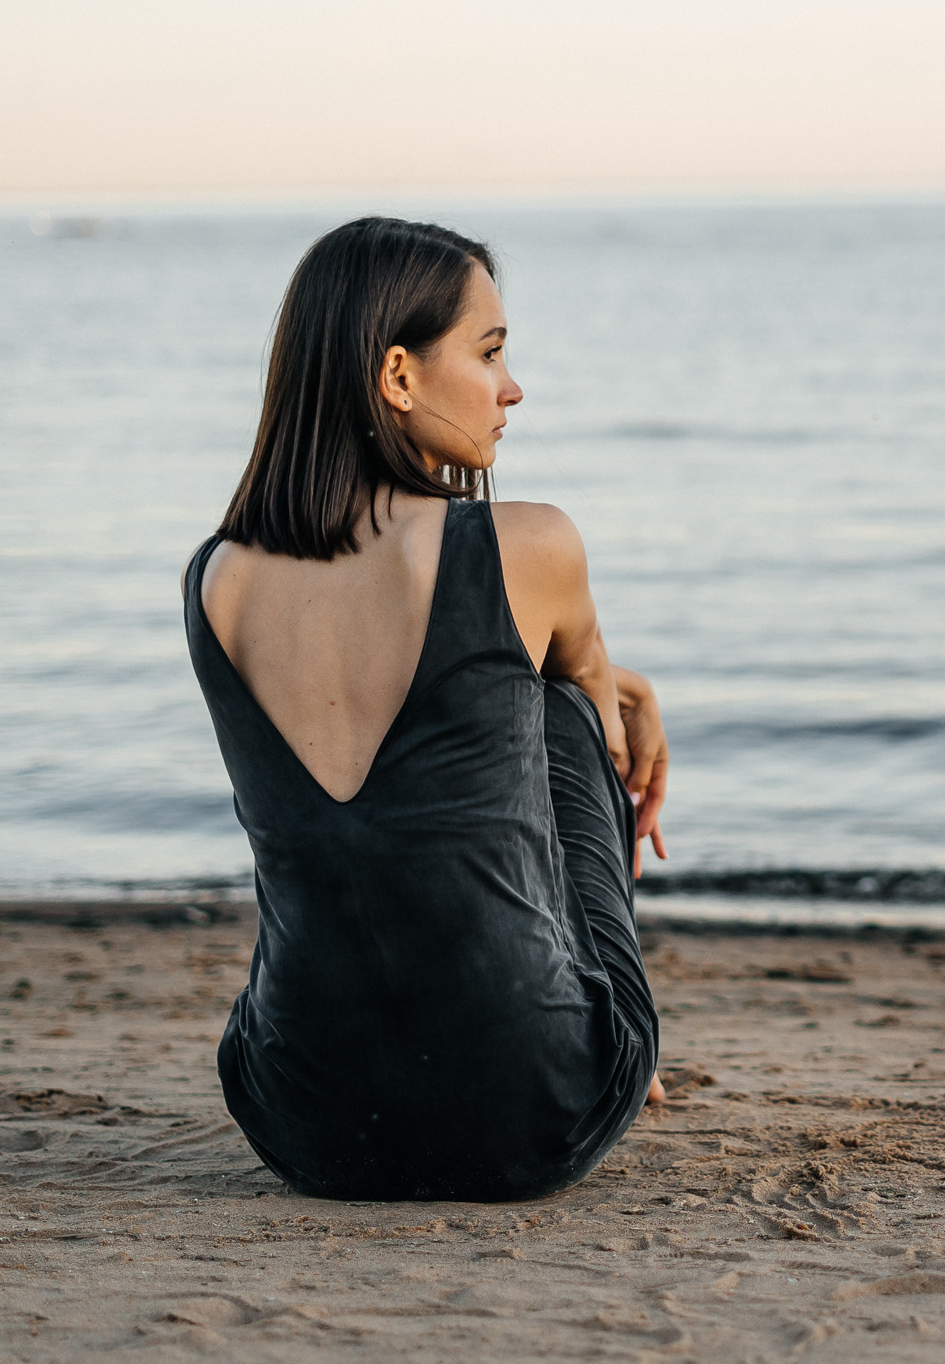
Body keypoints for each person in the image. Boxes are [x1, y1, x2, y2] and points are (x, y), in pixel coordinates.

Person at [181, 216, 669, 1201]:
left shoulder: (215, 580)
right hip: (535, 1110)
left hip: (301, 1119)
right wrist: (622, 693)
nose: (512, 388)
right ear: (398, 377)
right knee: (565, 714)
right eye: (489, 354)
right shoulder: (530, 544)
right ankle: (620, 1040)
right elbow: (599, 734)